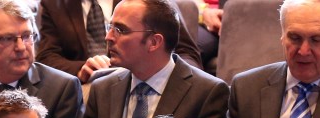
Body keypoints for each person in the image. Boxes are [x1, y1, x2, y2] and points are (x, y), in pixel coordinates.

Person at [82, 0, 228, 118]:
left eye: (121, 30)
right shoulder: (102, 88)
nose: (108, 37)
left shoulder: (207, 92)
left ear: (154, 42)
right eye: (110, 27)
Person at [36, 0, 202, 83]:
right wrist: (81, 69)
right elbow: (46, 57)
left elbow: (187, 53)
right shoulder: (53, 3)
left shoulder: (150, 3)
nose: (108, 38)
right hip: (88, 87)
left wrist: (168, 82)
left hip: (146, 80)